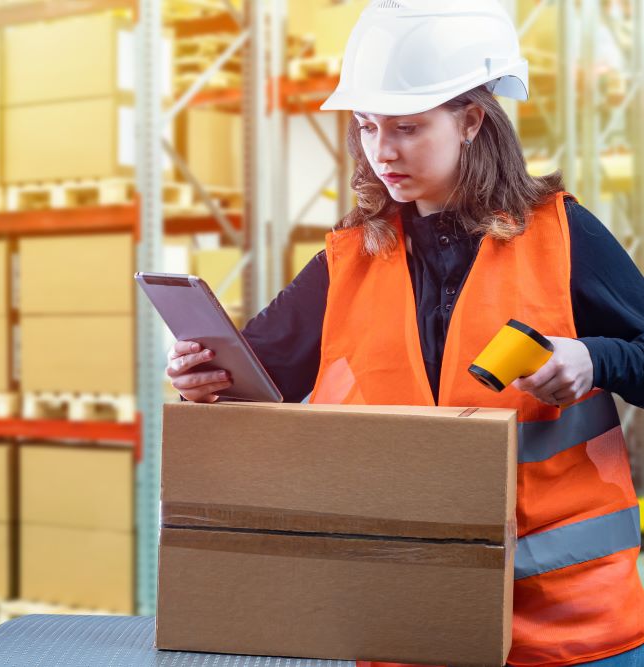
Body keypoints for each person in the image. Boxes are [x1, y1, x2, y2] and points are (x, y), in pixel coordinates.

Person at [167, 1, 644, 666]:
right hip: (408, 624)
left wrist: (597, 358)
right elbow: (258, 380)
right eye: (366, 126)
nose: (381, 150)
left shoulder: (563, 238)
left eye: (407, 127)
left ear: (472, 120)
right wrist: (205, 379)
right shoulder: (348, 261)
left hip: (569, 633)